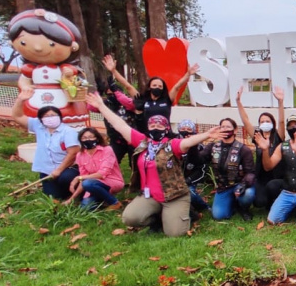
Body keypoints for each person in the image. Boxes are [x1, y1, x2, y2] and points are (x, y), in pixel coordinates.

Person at [85, 92, 223, 237]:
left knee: (175, 233)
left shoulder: (172, 145)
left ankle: (187, 212)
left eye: (160, 125)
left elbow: (187, 142)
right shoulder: (141, 142)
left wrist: (207, 135)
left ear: (166, 129)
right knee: (130, 218)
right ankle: (157, 219)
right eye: (152, 124)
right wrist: (101, 106)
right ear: (148, 128)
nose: (155, 127)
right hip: (150, 195)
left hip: (174, 195)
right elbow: (120, 125)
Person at [9, 9, 88, 123]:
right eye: (23, 43)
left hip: (61, 97)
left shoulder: (63, 68)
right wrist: (25, 86)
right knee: (38, 120)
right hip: (38, 97)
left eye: (52, 44)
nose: (37, 48)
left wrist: (68, 74)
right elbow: (24, 80)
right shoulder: (30, 69)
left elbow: (73, 78)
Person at [11, 87, 80, 200]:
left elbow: (73, 153)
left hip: (66, 169)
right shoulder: (38, 126)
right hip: (47, 171)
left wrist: (59, 170)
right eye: (46, 116)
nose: (50, 118)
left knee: (66, 179)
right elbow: (17, 116)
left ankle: (76, 194)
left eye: (53, 115)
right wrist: (20, 100)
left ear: (59, 117)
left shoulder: (68, 132)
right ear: (41, 119)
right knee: (51, 197)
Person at [237, 86, 286, 210]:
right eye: (262, 121)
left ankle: (276, 200)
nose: (265, 123)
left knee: (273, 188)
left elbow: (281, 122)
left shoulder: (278, 135)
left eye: (267, 121)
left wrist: (280, 102)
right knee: (259, 202)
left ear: (272, 123)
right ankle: (267, 200)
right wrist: (238, 102)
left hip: (277, 176)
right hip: (262, 177)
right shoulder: (257, 136)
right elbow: (246, 121)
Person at [204, 118, 256, 221]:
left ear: (235, 130)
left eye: (228, 127)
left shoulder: (243, 149)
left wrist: (243, 185)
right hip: (223, 187)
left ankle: (243, 208)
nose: (225, 129)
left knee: (248, 194)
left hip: (239, 184)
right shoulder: (213, 147)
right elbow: (199, 159)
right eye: (222, 127)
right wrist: (193, 145)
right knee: (218, 216)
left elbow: (250, 173)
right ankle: (233, 204)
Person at [66, 127, 125, 210]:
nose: (88, 140)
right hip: (93, 184)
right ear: (80, 140)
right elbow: (83, 179)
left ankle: (115, 203)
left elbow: (102, 174)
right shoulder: (80, 155)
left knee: (88, 183)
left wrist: (78, 178)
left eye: (91, 137)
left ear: (96, 138)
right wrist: (71, 199)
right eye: (84, 138)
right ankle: (103, 198)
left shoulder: (107, 150)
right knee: (85, 208)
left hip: (112, 181)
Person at [177, 119, 210, 214]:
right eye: (183, 128)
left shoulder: (200, 148)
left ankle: (203, 206)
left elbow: (202, 169)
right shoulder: (171, 145)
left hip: (190, 181)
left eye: (189, 129)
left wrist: (189, 180)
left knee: (190, 194)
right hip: (174, 181)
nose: (185, 131)